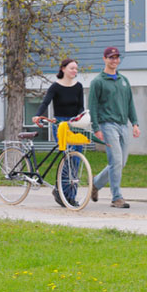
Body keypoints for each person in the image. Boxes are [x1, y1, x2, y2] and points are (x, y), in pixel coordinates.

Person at [88, 46, 140, 208]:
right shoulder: (98, 82)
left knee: (120, 163)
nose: (114, 60)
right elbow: (93, 106)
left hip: (123, 125)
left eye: (116, 57)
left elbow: (130, 103)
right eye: (111, 57)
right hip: (107, 125)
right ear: (104, 59)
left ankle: (96, 183)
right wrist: (96, 128)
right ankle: (116, 197)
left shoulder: (124, 80)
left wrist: (135, 123)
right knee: (116, 160)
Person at [32, 57, 86, 207]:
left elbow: (80, 106)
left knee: (76, 159)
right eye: (71, 68)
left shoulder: (79, 86)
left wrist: (81, 118)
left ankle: (67, 194)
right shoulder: (56, 87)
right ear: (63, 69)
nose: (74, 71)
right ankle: (65, 195)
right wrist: (37, 114)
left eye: (76, 68)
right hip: (60, 124)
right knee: (67, 159)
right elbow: (45, 102)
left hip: (75, 124)